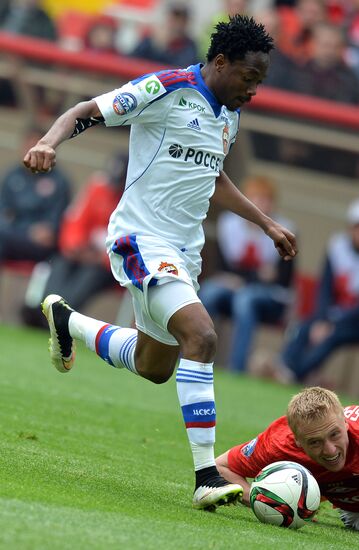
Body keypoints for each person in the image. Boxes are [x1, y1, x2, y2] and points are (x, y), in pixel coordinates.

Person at [23, 15, 297, 511]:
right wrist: (48, 142)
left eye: (260, 82)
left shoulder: (228, 115)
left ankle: (67, 320)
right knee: (203, 336)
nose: (253, 90)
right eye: (249, 78)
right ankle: (206, 476)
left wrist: (267, 224)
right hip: (141, 240)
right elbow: (87, 109)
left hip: (183, 252)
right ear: (220, 63)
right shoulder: (167, 88)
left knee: (155, 367)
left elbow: (213, 179)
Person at [216, 386, 359, 530]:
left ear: (345, 423)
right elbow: (221, 467)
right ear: (298, 440)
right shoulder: (279, 446)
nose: (330, 450)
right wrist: (266, 502)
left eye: (334, 434)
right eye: (315, 442)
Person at [21, 152, 128, 328]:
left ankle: (57, 317)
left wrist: (100, 258)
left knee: (89, 275)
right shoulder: (98, 186)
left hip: (108, 264)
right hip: (82, 252)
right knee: (61, 261)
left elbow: (130, 243)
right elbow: (75, 220)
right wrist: (75, 247)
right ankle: (45, 309)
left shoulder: (133, 199)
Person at [199, 175, 295, 372]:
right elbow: (223, 269)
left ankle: (237, 368)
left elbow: (282, 277)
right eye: (255, 198)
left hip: (269, 297)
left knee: (245, 299)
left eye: (266, 199)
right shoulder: (228, 224)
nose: (261, 204)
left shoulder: (284, 230)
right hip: (232, 289)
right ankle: (194, 359)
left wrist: (245, 278)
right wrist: (256, 275)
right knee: (209, 291)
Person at [269, 198, 359, 384]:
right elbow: (325, 288)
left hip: (352, 321)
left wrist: (333, 321)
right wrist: (322, 319)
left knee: (332, 336)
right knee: (304, 327)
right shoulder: (338, 247)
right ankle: (283, 365)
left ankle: (295, 374)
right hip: (333, 315)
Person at [0, 126, 71, 267]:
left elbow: (52, 227)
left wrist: (45, 231)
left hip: (40, 247)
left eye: (37, 147)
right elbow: (4, 214)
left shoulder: (60, 182)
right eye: (28, 146)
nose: (32, 152)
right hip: (12, 236)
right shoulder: (12, 175)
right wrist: (27, 230)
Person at [292, 22, 359, 105]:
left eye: (335, 46)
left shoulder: (350, 81)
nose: (330, 51)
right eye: (325, 45)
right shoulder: (295, 72)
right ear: (313, 44)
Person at [130, 3, 199, 67]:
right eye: (173, 19)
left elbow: (179, 69)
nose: (176, 24)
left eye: (180, 20)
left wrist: (162, 47)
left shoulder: (189, 46)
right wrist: (157, 44)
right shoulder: (151, 40)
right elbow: (132, 60)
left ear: (186, 23)